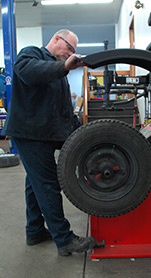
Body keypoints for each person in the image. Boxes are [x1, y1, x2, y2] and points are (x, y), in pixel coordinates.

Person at [2, 29, 97, 256]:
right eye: (69, 48)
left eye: (73, 51)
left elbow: (63, 110)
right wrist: (64, 66)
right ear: (56, 39)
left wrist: (85, 132)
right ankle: (64, 240)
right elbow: (29, 72)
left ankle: (35, 230)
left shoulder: (58, 73)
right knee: (47, 184)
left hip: (45, 134)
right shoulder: (31, 55)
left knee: (34, 183)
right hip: (30, 134)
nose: (70, 54)